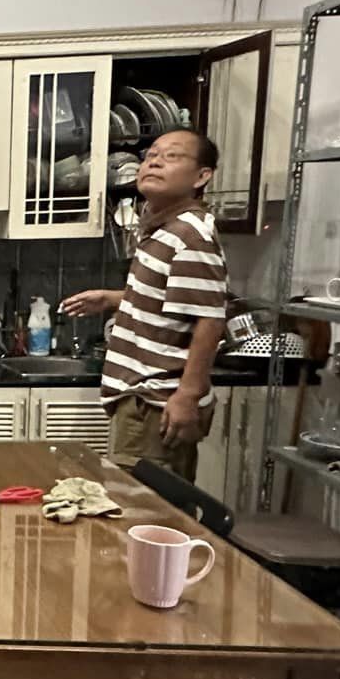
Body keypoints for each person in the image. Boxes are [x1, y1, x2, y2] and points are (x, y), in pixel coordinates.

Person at [60, 129, 228, 479]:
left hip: (156, 405)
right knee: (133, 498)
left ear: (202, 176)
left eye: (172, 156)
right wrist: (111, 298)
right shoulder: (164, 229)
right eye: (151, 155)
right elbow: (174, 299)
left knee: (145, 503)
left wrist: (187, 395)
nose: (155, 162)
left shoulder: (190, 236)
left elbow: (210, 320)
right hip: (143, 399)